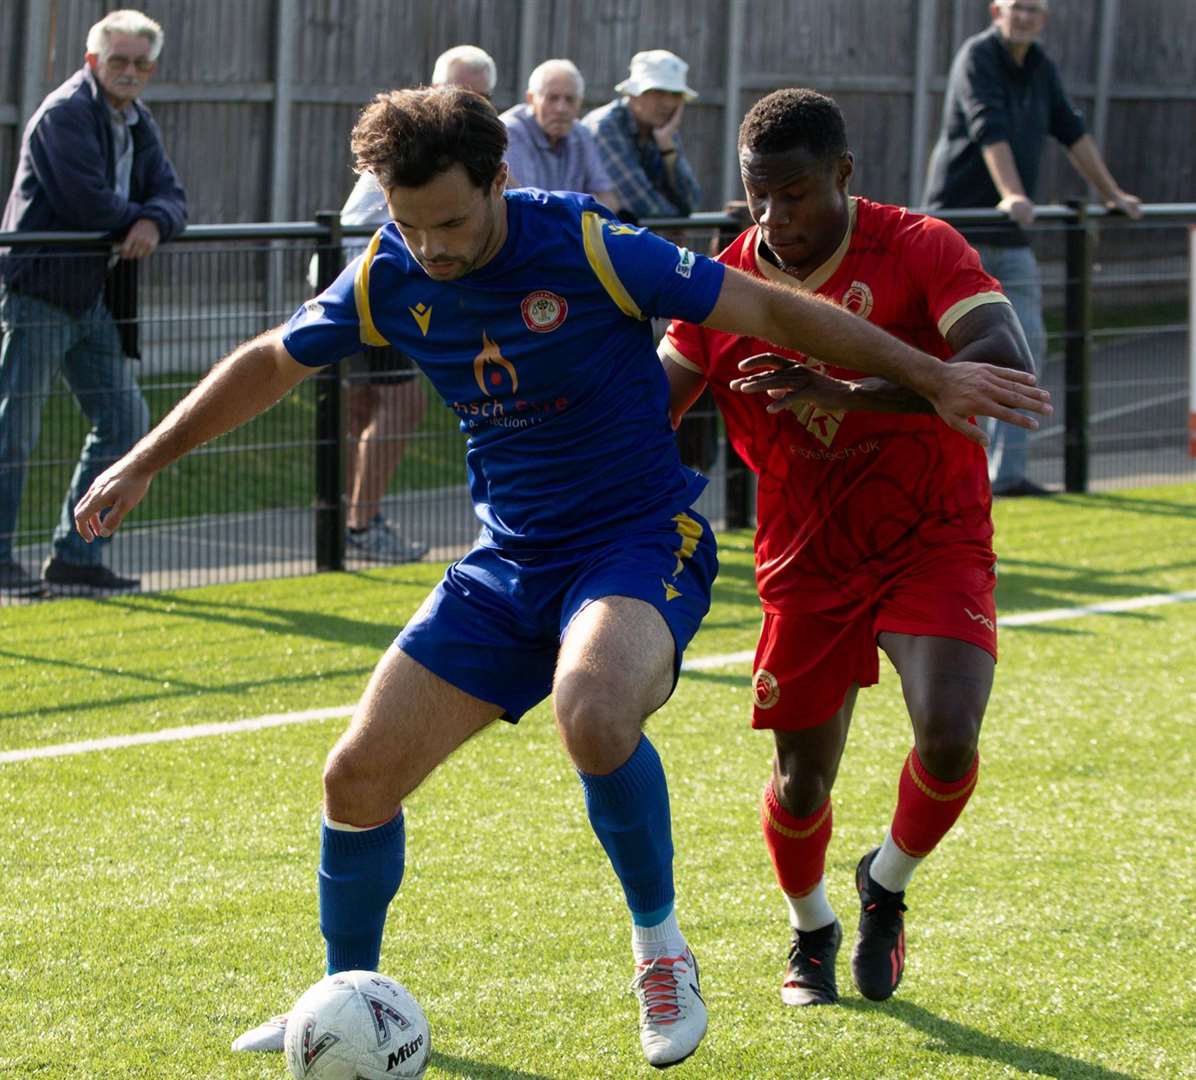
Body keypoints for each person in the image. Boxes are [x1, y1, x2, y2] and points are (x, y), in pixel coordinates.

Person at [72, 87, 1048, 1066]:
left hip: (637, 539)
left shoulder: (588, 245)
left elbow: (762, 307)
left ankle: (662, 955)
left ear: (501, 181)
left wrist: (929, 375)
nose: (433, 247)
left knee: (590, 707)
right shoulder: (384, 275)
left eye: (451, 220)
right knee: (355, 777)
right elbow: (271, 361)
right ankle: (344, 993)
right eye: (409, 224)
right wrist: (144, 459)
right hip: (509, 563)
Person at [662, 88, 1041, 1007]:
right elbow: (652, 405)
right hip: (806, 554)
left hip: (933, 533)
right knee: (800, 785)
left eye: (793, 194)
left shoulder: (919, 247)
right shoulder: (726, 284)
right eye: (758, 196)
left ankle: (887, 887)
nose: (773, 217)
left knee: (948, 739)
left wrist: (842, 389)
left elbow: (1000, 359)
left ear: (843, 175)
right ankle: (811, 929)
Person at [0, 9, 186, 596]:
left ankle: (77, 557)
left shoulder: (138, 122)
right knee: (17, 425)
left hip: (93, 296)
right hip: (39, 288)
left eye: (141, 63)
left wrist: (155, 223)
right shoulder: (63, 115)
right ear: (93, 61)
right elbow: (82, 199)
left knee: (127, 421)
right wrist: (139, 222)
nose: (130, 71)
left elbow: (173, 196)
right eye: (119, 60)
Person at [924, 0, 1141, 497]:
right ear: (997, 10)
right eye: (1017, 7)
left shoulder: (1041, 66)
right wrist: (1012, 193)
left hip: (1011, 238)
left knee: (1027, 349)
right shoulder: (976, 56)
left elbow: (1072, 130)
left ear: (1045, 18)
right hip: (962, 231)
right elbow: (988, 127)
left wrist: (1112, 194)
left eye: (1035, 10)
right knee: (947, 355)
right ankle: (944, 472)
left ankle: (1007, 475)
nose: (1025, 17)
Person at [332, 45, 498, 563]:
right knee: (398, 402)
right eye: (456, 90)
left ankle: (351, 521)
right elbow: (361, 227)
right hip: (382, 288)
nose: (466, 101)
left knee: (370, 406)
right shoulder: (412, 151)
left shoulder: (460, 153)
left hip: (387, 285)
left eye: (477, 94)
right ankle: (358, 523)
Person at [583, 50, 704, 221]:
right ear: (633, 93)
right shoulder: (605, 127)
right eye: (658, 92)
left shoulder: (664, 131)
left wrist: (667, 148)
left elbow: (692, 202)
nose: (668, 103)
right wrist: (677, 222)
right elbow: (641, 203)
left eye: (676, 95)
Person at [501, 59, 619, 211]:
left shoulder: (581, 133)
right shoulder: (512, 132)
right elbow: (527, 204)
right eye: (552, 98)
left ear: (580, 103)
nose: (561, 108)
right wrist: (581, 210)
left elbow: (609, 200)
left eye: (570, 99)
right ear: (531, 99)